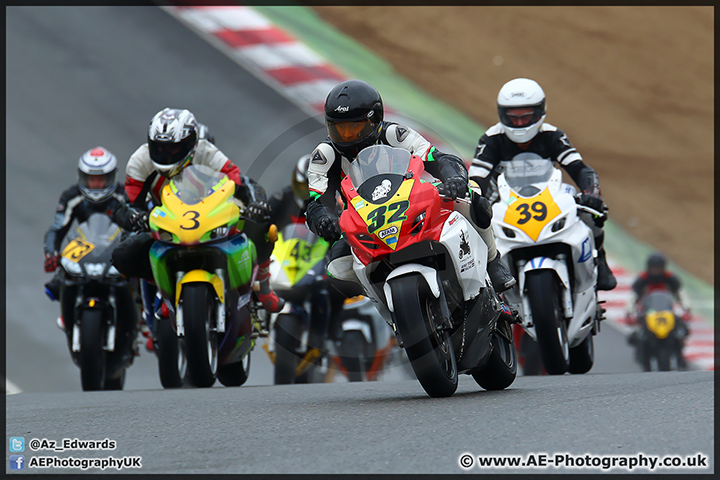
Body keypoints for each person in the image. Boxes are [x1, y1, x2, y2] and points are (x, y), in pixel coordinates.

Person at [305, 79, 516, 296]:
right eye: (339, 129)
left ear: (374, 120)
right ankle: (386, 307)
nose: (347, 137)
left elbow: (437, 158)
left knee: (472, 196)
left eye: (354, 128)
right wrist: (323, 220)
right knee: (336, 269)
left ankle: (493, 262)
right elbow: (316, 201)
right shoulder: (324, 155)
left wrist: (454, 178)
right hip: (363, 222)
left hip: (411, 203)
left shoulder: (394, 134)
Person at [111, 107, 283, 313]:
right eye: (159, 147)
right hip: (166, 222)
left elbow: (240, 183)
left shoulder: (206, 153)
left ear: (191, 143)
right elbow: (128, 204)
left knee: (264, 227)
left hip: (211, 214)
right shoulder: (140, 161)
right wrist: (135, 217)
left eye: (174, 149)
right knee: (123, 254)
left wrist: (256, 204)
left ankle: (263, 287)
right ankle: (165, 291)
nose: (165, 154)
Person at [468, 78, 617, 291]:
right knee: (476, 226)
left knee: (591, 210)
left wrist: (591, 193)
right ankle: (491, 277)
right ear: (502, 114)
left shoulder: (552, 135)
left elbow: (580, 169)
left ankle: (600, 261)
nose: (519, 124)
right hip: (506, 203)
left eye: (525, 116)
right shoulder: (491, 139)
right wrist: (475, 202)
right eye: (513, 117)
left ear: (540, 112)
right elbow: (477, 179)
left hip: (549, 197)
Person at [43, 147, 128, 329]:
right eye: (92, 179)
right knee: (57, 282)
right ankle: (67, 311)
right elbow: (57, 229)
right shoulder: (72, 196)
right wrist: (52, 254)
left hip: (117, 249)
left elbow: (137, 226)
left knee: (141, 270)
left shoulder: (124, 196)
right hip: (84, 248)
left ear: (112, 177)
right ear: (82, 177)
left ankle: (144, 316)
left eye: (101, 179)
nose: (96, 184)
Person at [268, 155, 347, 347]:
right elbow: (264, 220)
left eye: (311, 189)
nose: (306, 196)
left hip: (320, 257)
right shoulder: (282, 198)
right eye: (304, 188)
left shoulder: (334, 204)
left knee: (340, 278)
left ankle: (333, 321)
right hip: (285, 256)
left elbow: (346, 229)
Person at [627, 252, 690, 367]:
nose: (656, 271)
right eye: (653, 268)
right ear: (649, 267)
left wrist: (686, 308)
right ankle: (642, 356)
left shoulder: (670, 278)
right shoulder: (643, 279)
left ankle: (680, 357)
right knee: (638, 335)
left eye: (658, 268)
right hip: (647, 312)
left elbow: (680, 293)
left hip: (666, 311)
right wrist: (629, 312)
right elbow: (633, 297)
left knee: (680, 331)